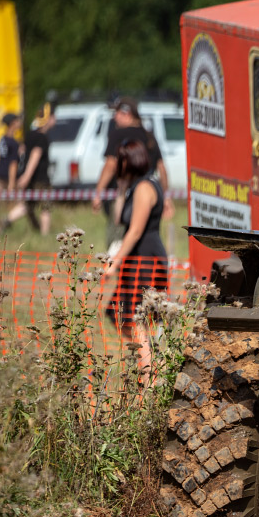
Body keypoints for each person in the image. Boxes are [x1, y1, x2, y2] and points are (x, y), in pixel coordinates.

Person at [103, 138, 168, 372]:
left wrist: (114, 263)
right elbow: (119, 219)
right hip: (136, 261)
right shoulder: (134, 187)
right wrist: (121, 188)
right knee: (116, 312)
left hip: (147, 260)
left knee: (136, 317)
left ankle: (149, 372)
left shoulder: (144, 188)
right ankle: (147, 359)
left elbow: (135, 230)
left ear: (128, 162)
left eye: (119, 162)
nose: (115, 166)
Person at [91, 98, 173, 231]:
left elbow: (111, 166)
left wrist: (98, 193)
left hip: (123, 197)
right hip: (149, 195)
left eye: (116, 113)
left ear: (126, 114)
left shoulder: (118, 134)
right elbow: (162, 169)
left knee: (118, 237)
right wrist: (166, 196)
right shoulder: (148, 135)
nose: (114, 117)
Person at [6, 102, 54, 235]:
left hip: (30, 178)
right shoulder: (42, 137)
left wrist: (24, 175)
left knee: (27, 205)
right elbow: (35, 155)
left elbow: (22, 152)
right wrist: (27, 176)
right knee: (45, 208)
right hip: (40, 179)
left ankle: (6, 221)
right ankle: (45, 235)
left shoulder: (30, 135)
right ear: (48, 119)